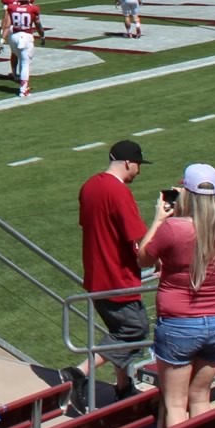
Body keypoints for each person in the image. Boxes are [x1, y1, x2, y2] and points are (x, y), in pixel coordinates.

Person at [137, 162, 215, 428]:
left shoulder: (173, 228)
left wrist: (159, 219)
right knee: (201, 398)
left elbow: (143, 258)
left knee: (176, 403)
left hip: (179, 322)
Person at [71, 140, 150, 413]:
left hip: (95, 275)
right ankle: (79, 373)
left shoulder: (89, 186)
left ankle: (123, 387)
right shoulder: (120, 192)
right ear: (128, 163)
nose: (138, 172)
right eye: (138, 165)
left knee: (119, 333)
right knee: (135, 330)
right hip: (118, 277)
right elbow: (137, 237)